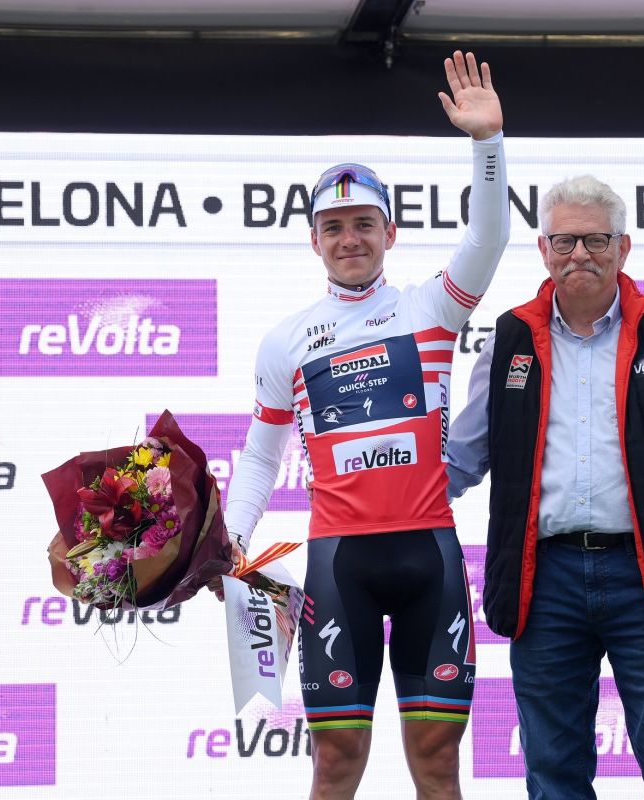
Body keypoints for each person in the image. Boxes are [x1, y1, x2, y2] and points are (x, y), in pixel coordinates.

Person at [216, 51, 508, 800]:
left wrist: (487, 143)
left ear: (390, 232)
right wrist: (232, 541)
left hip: (429, 560)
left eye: (364, 225)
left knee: (437, 763)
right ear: (314, 240)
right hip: (338, 566)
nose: (350, 238)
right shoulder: (286, 341)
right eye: (334, 227)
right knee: (336, 763)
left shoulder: (430, 310)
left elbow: (488, 239)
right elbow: (260, 458)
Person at [445, 175, 644, 800]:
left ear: (623, 247)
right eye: (564, 241)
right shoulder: (508, 339)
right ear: (543, 250)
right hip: (544, 581)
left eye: (596, 240)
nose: (579, 254)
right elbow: (461, 460)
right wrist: (371, 486)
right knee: (553, 775)